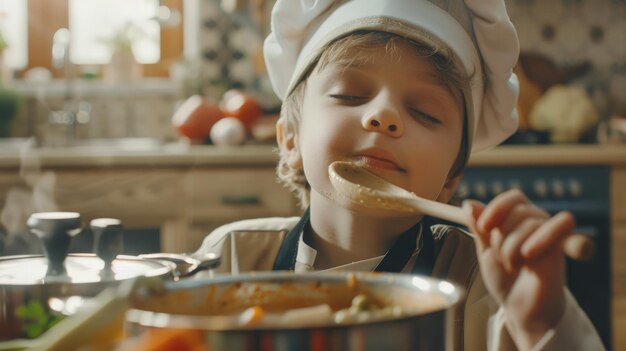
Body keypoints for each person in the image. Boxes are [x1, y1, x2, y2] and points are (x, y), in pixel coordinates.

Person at [195, 0, 604, 350]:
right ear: (291, 139)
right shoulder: (230, 258)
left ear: (451, 177)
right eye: (350, 95)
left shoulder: (485, 283)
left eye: (425, 112)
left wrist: (540, 325)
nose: (385, 116)